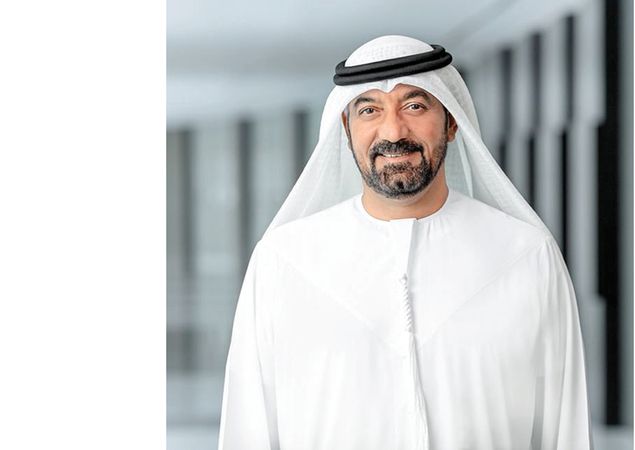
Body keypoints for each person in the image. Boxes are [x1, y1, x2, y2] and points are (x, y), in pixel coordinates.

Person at [218, 35, 593, 450]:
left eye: (415, 106)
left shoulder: (526, 255)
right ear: (346, 130)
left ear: (452, 122)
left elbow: (565, 428)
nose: (393, 131)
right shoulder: (285, 260)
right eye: (369, 110)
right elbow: (247, 428)